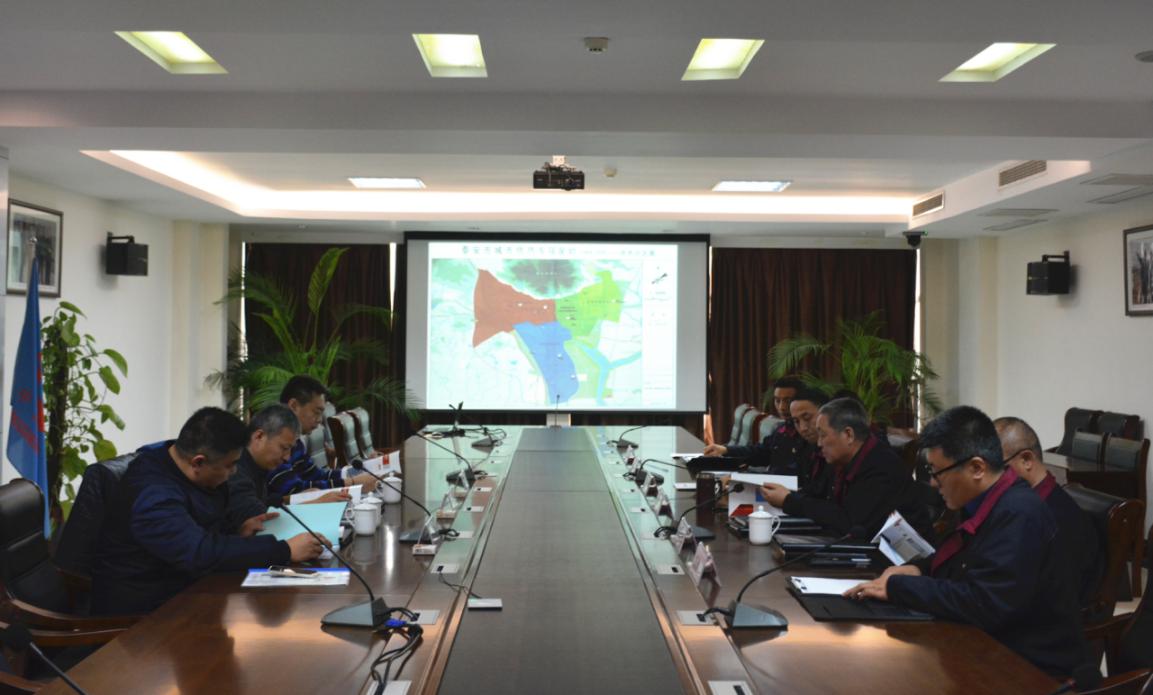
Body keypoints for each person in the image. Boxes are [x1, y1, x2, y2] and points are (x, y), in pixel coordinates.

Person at [845, 406, 1087, 679]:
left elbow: (984, 603)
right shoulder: (984, 501)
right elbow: (962, 564)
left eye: (937, 472)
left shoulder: (1020, 513)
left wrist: (899, 586)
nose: (933, 484)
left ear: (977, 468)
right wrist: (920, 570)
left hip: (1029, 667)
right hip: (986, 645)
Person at [91, 407, 324, 615]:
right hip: (145, 616)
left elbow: (204, 531)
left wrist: (237, 532)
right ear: (198, 462)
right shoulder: (155, 495)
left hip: (191, 591)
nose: (234, 473)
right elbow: (199, 553)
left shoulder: (182, 465)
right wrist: (284, 550)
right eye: (230, 465)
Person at [759, 397, 929, 537]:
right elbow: (820, 499)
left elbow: (848, 522)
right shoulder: (841, 460)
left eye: (823, 435)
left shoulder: (881, 466)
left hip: (897, 559)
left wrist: (789, 501)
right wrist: (789, 497)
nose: (818, 443)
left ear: (848, 434)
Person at [994, 416, 1103, 611]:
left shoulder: (1059, 520)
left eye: (996, 468)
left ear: (1026, 460)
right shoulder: (1019, 504)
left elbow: (1054, 601)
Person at [228, 404, 350, 520]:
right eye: (284, 448)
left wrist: (299, 499)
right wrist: (317, 502)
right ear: (259, 436)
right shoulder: (235, 470)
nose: (287, 458)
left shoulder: (259, 466)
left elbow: (268, 503)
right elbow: (258, 520)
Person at [266, 375, 380, 498]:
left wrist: (364, 469)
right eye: (316, 412)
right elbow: (295, 491)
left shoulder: (296, 443)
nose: (320, 420)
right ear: (294, 406)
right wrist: (351, 483)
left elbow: (316, 476)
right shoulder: (272, 442)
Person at [703, 377, 808, 474]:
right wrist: (725, 450)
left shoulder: (807, 434)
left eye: (788, 401)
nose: (782, 407)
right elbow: (761, 452)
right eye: (777, 400)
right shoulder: (782, 429)